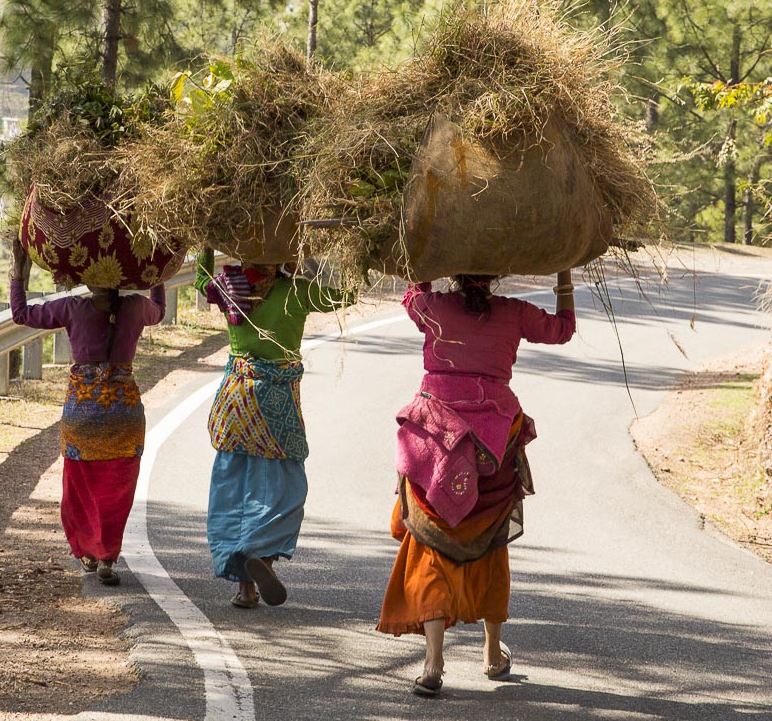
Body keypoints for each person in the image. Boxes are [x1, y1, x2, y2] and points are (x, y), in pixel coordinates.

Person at [376, 271, 576, 696]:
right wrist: (565, 274)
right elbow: (563, 331)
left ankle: (433, 660)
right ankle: (490, 652)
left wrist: (425, 268)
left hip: (435, 443)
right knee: (490, 542)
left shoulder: (434, 308)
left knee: (431, 545)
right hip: (494, 444)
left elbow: (412, 294)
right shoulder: (514, 312)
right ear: (495, 277)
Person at [195, 249, 355, 609]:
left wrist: (204, 244)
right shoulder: (293, 293)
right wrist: (325, 251)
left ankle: (245, 589)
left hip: (235, 402)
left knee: (232, 487)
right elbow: (345, 295)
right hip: (274, 407)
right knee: (282, 489)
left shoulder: (229, 287)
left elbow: (200, 279)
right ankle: (259, 556)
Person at [9, 238, 166, 585]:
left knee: (80, 484)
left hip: (82, 412)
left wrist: (18, 273)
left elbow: (20, 314)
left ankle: (86, 551)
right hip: (124, 412)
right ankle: (107, 555)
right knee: (116, 485)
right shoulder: (138, 307)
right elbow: (161, 310)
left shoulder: (72, 308)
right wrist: (157, 270)